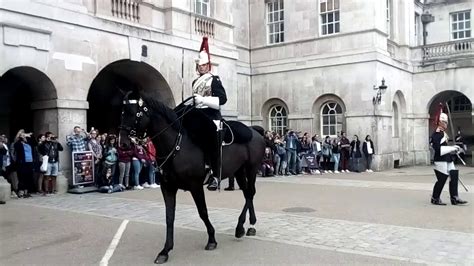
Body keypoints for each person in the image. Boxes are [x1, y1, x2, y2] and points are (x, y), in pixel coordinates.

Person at [183, 37, 227, 191]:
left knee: (212, 142)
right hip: (197, 115)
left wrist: (204, 100)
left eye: (203, 65)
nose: (201, 67)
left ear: (208, 65)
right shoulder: (195, 82)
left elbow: (222, 99)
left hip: (211, 116)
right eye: (199, 65)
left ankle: (215, 175)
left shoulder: (214, 80)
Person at [430, 105, 467, 205]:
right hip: (440, 159)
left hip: (447, 158)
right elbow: (439, 149)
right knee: (442, 178)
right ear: (440, 122)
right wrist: (453, 148)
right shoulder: (437, 134)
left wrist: (455, 149)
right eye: (444, 122)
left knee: (454, 175)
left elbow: (445, 146)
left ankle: (454, 197)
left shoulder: (442, 133)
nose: (446, 124)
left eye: (446, 122)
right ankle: (435, 197)